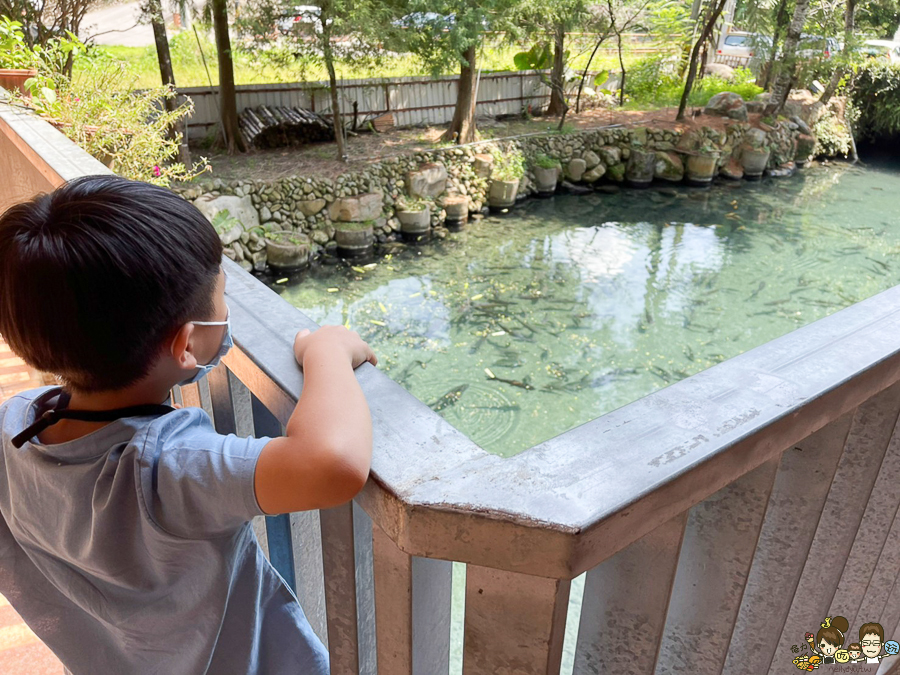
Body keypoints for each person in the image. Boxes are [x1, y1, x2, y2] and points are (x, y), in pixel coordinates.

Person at [0, 176, 377, 674]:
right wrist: (328, 350)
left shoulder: (14, 424)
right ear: (187, 345)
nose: (226, 308)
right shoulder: (164, 469)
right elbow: (332, 464)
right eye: (222, 295)